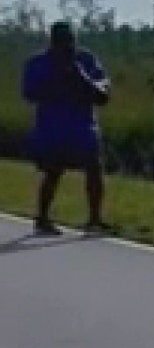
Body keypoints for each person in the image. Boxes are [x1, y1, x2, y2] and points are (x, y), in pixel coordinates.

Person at [20, 20, 112, 236]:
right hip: (52, 128)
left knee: (94, 168)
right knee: (53, 171)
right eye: (61, 41)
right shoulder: (37, 63)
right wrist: (54, 78)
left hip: (83, 128)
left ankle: (95, 219)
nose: (66, 46)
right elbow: (28, 94)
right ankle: (42, 218)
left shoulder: (86, 60)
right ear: (51, 41)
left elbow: (103, 95)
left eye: (69, 40)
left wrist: (81, 77)